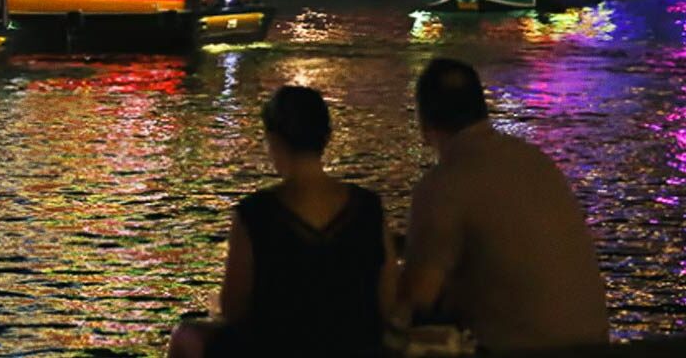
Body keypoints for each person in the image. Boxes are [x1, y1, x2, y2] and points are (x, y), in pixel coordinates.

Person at [400, 58, 607, 351]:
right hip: (595, 345)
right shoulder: (536, 161)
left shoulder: (445, 182)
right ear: (482, 109)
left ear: (423, 124)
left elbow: (417, 295)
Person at [170, 86, 393, 358]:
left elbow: (233, 309)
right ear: (327, 137)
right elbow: (388, 300)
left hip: (274, 347)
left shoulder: (254, 213)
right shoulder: (369, 207)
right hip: (356, 347)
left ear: (274, 141)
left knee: (187, 335)